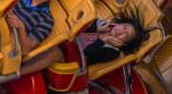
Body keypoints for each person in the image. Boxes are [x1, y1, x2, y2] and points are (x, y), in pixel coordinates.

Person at [18, 4, 148, 76]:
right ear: (120, 23)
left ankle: (17, 73)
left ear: (124, 43)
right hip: (66, 40)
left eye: (126, 34)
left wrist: (105, 40)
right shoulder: (102, 24)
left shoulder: (113, 51)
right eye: (124, 27)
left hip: (74, 58)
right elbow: (78, 25)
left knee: (54, 52)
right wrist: (96, 27)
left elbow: (88, 53)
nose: (121, 31)